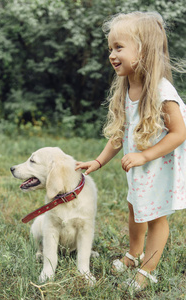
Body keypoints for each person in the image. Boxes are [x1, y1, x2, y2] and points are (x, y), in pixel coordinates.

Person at [75, 11, 186, 291]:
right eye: (110, 48)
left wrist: (145, 155)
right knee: (135, 207)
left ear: (144, 50)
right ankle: (133, 254)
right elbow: (120, 133)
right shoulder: (126, 86)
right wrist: (99, 161)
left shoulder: (162, 91)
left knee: (154, 215)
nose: (112, 54)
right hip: (139, 166)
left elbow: (179, 133)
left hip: (159, 164)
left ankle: (147, 270)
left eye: (119, 47)